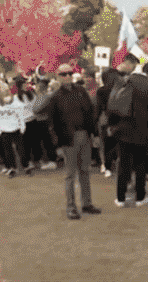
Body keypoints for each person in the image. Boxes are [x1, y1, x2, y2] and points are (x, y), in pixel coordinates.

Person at [37, 63, 101, 220]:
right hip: (67, 139)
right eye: (63, 74)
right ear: (58, 76)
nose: (67, 77)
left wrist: (95, 134)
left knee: (85, 171)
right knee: (70, 174)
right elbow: (43, 116)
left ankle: (87, 204)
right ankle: (71, 207)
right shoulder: (55, 96)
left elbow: (90, 114)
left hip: (84, 135)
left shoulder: (81, 91)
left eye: (69, 73)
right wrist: (57, 145)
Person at [112, 60, 148, 208]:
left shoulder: (126, 80)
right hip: (141, 130)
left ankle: (120, 198)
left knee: (123, 164)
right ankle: (140, 197)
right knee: (140, 164)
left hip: (122, 129)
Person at [0, 90, 22, 178]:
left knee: (20, 148)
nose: (6, 97)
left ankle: (24, 165)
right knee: (8, 150)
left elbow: (20, 116)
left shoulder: (15, 105)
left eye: (8, 95)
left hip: (15, 129)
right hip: (4, 131)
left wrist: (21, 127)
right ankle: (12, 168)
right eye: (4, 95)